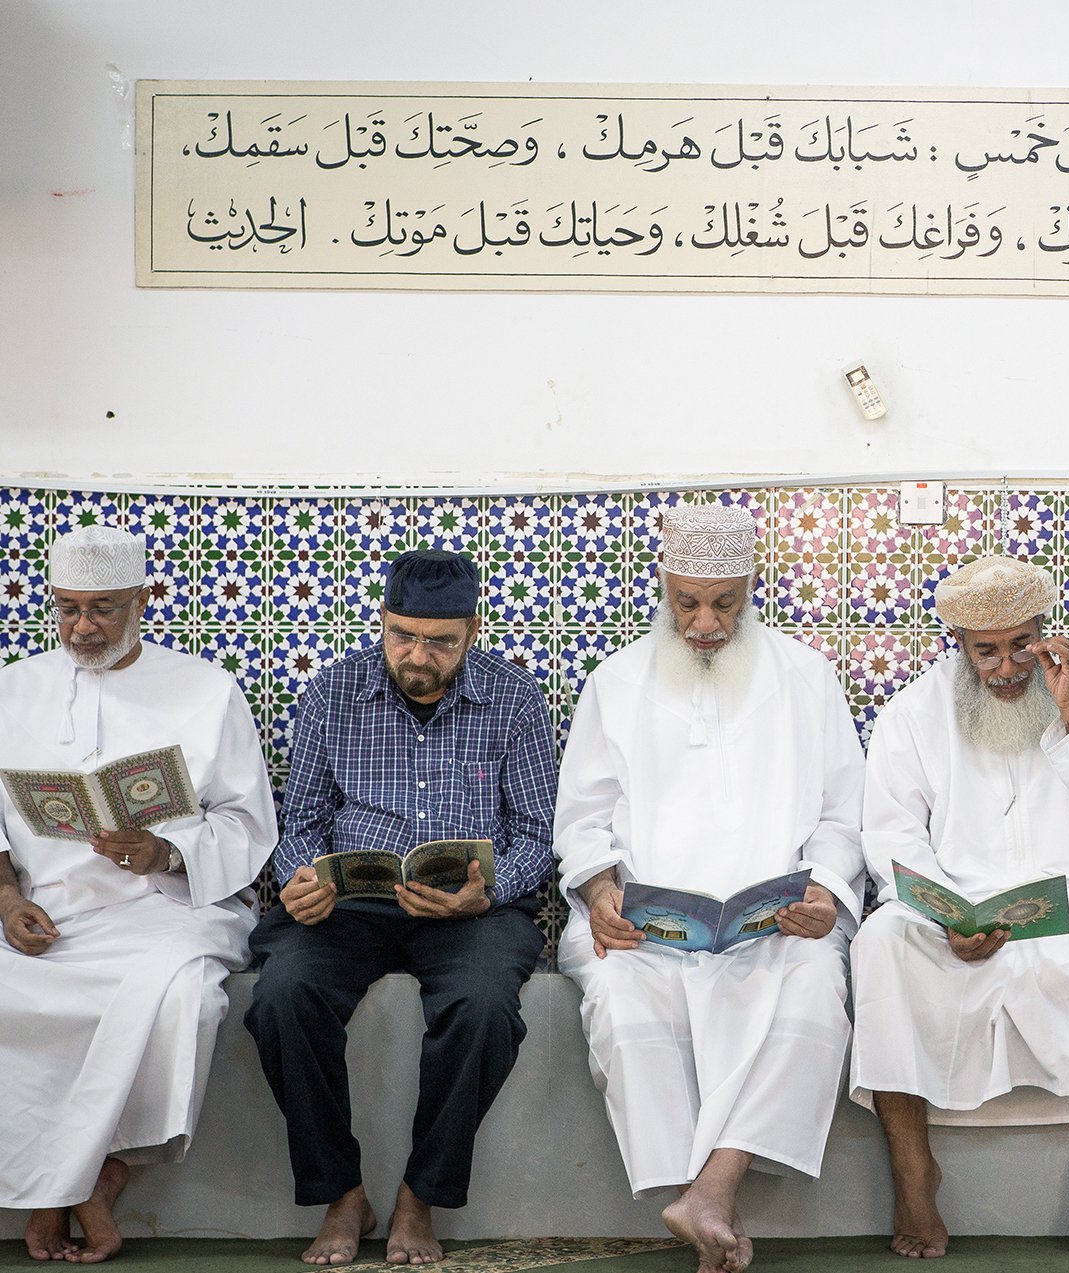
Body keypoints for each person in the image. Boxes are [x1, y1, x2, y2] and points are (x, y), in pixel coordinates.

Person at [849, 554, 1069, 1260]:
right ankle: (913, 1172)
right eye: (987, 651)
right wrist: (943, 912)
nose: (1007, 666)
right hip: (955, 908)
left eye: (1021, 644)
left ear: (1044, 631)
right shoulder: (913, 713)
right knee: (880, 942)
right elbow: (891, 835)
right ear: (958, 645)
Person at [555, 505, 866, 1273]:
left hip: (776, 924)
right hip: (646, 925)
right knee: (621, 996)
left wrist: (824, 893)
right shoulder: (616, 680)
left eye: (724, 602)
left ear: (751, 589)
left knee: (816, 990)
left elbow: (842, 812)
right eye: (686, 601)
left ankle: (712, 1190)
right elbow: (584, 818)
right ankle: (699, 1199)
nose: (704, 621)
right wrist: (599, 890)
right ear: (662, 585)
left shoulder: (806, 676)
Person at [243, 549, 557, 1267]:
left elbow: (540, 835)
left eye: (441, 641)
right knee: (283, 996)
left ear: (472, 632)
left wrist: (493, 886)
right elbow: (302, 826)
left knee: (482, 1008)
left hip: (470, 910)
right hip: (350, 909)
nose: (419, 654)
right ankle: (343, 1192)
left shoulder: (514, 698)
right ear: (382, 622)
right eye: (403, 635)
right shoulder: (332, 692)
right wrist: (299, 878)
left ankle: (421, 1193)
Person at [0, 525, 277, 1264]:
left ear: (142, 600)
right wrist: (5, 899)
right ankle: (68, 1176)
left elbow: (248, 824)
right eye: (67, 609)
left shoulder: (206, 689)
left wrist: (167, 849)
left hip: (168, 909)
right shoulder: (13, 688)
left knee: (185, 992)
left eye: (103, 608)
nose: (82, 627)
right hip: (45, 915)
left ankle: (99, 1170)